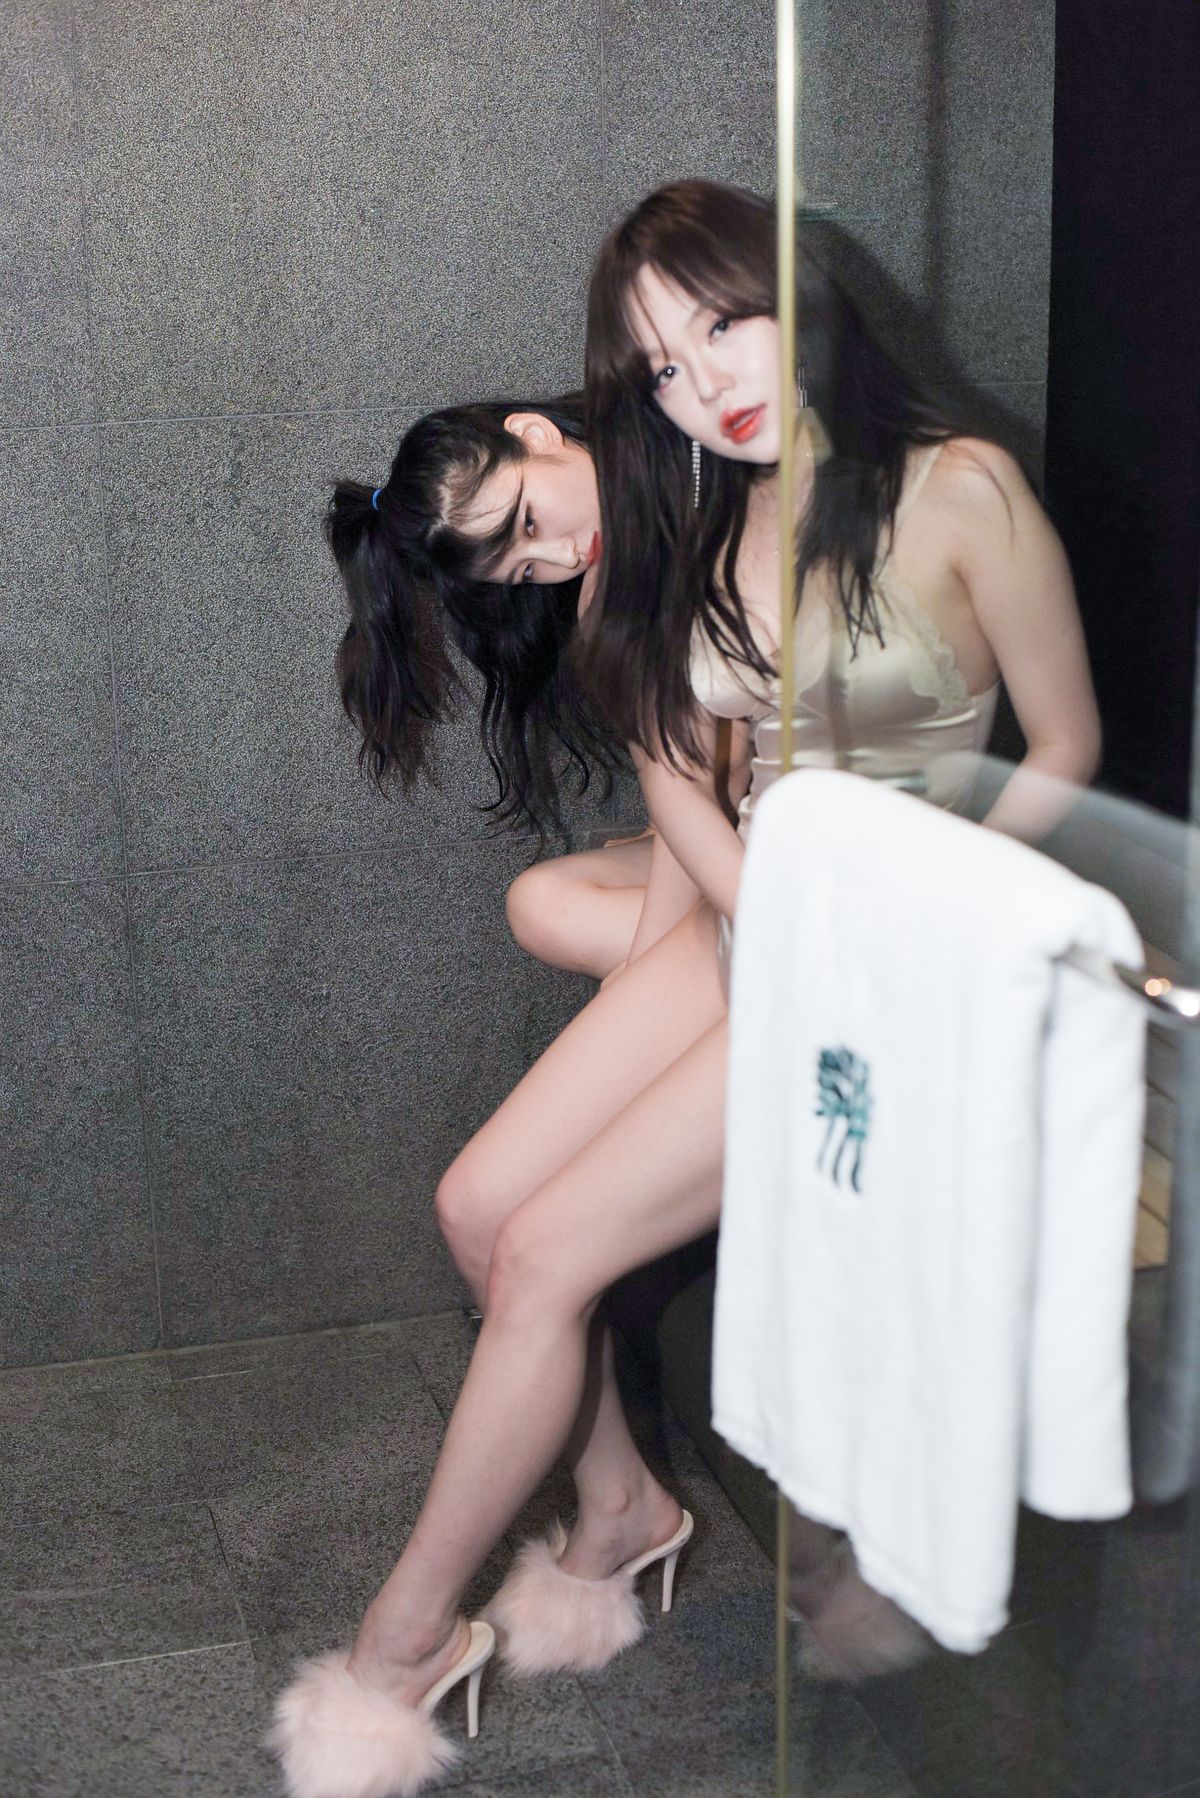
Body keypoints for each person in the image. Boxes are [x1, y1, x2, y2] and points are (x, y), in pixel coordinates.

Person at [269, 180, 1101, 1796]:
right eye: (662, 362)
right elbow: (680, 779)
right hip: (759, 923)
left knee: (546, 1252)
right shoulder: (709, 507)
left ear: (798, 291)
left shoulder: (958, 489)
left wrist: (907, 928)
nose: (702, 378)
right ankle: (625, 1510)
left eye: (724, 324)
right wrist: (747, 929)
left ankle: (399, 1642)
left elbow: (1061, 745)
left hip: (891, 955)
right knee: (474, 1205)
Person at [327, 394, 659, 983]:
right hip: (751, 816)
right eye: (527, 572)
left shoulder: (696, 445)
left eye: (529, 522)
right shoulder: (602, 598)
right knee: (539, 905)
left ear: (536, 434)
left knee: (645, 965)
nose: (565, 554)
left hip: (810, 802)